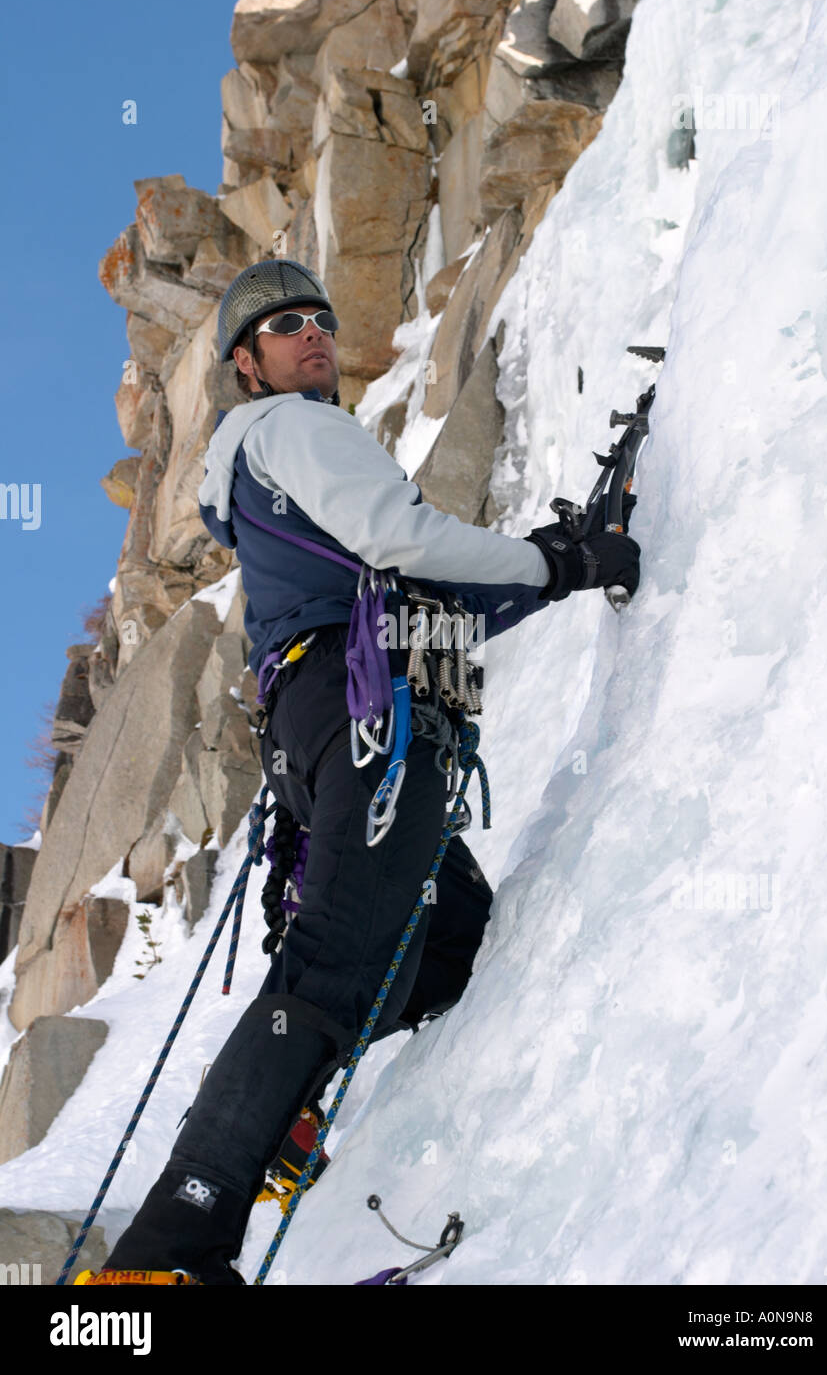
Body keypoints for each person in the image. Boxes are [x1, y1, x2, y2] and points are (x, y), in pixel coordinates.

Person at [88, 259, 640, 1285]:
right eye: (284, 326)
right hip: (365, 720)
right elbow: (402, 538)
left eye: (321, 321)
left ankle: (281, 1105)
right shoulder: (292, 428)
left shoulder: (271, 480)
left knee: (443, 949)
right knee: (340, 964)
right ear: (245, 367)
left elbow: (416, 588)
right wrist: (563, 561)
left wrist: (551, 566)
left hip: (338, 720)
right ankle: (161, 1262)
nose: (312, 336)